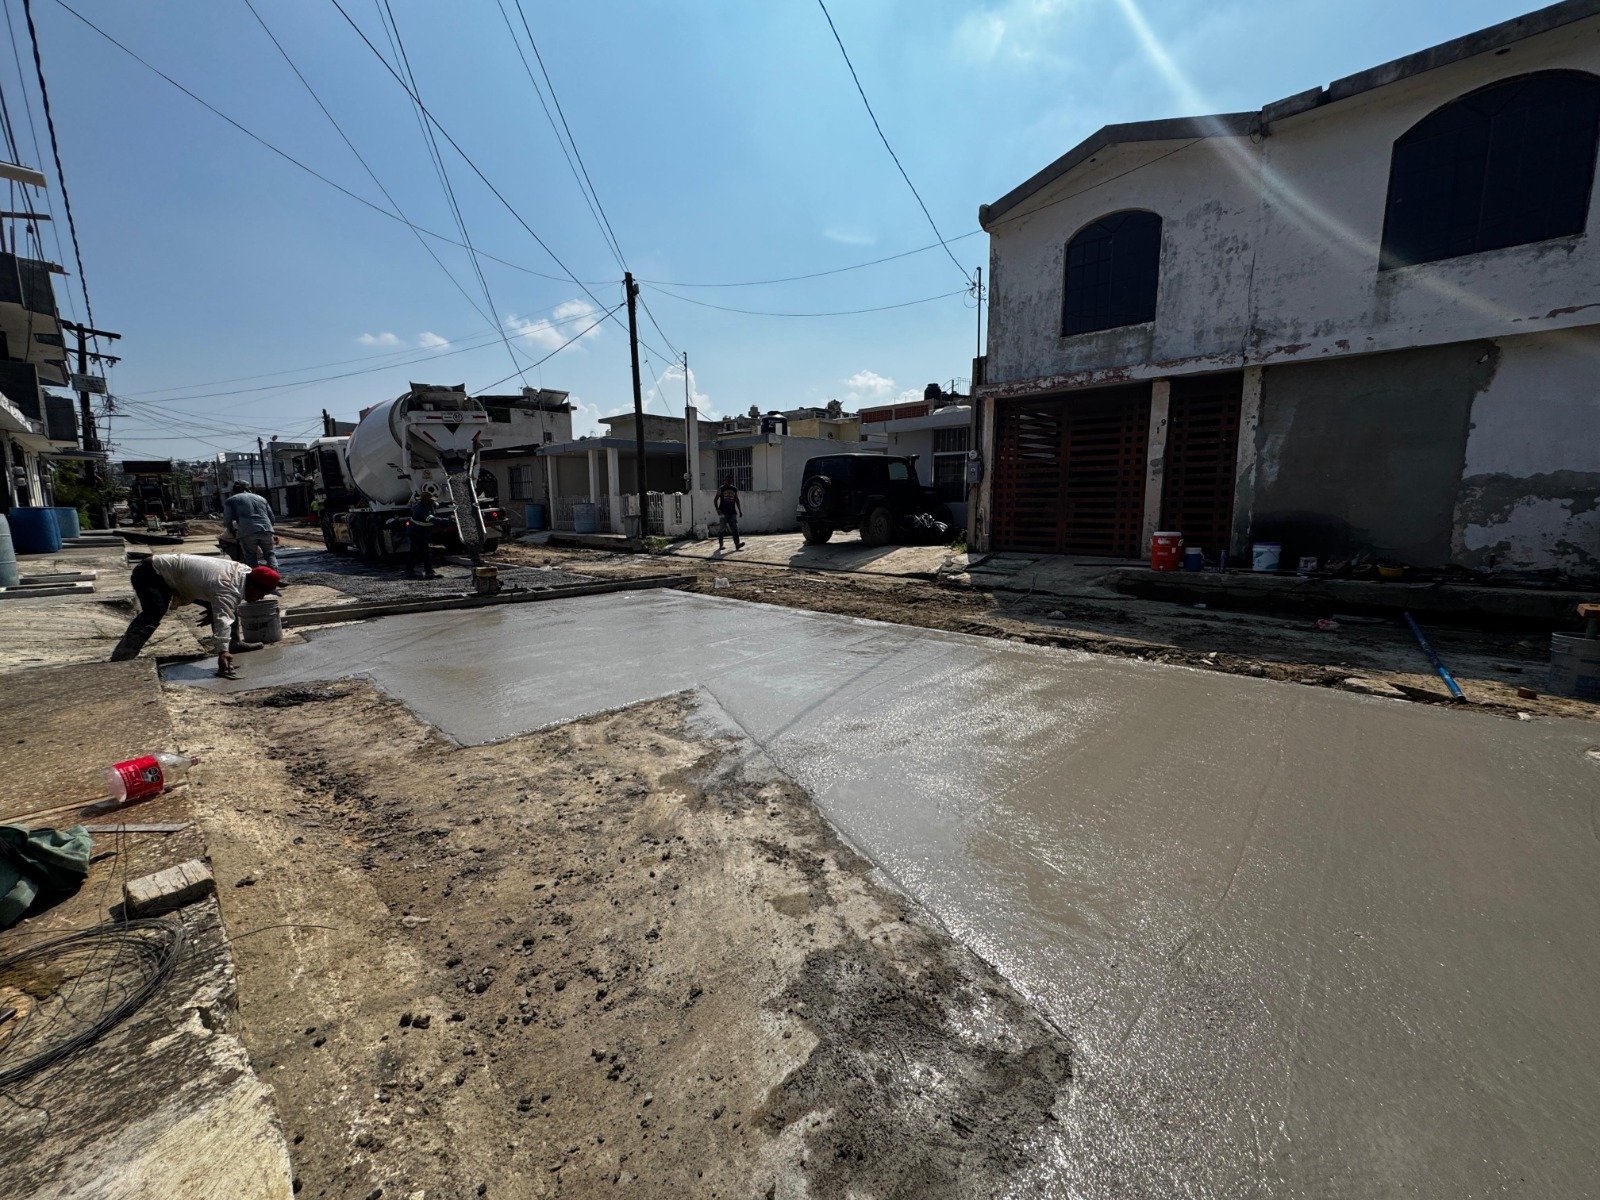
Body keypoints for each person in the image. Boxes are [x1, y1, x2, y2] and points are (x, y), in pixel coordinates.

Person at [111, 554, 279, 678]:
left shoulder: (244, 572)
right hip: (152, 573)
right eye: (262, 593)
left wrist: (214, 609)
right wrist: (222, 652)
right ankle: (123, 656)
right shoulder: (227, 587)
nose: (261, 598)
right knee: (154, 612)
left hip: (182, 578)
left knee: (229, 605)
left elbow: (224, 604)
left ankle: (233, 643)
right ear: (253, 586)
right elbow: (223, 618)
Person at [223, 481, 278, 570]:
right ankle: (275, 574)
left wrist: (232, 531)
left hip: (247, 531)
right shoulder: (261, 498)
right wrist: (269, 529)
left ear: (234, 490)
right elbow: (272, 518)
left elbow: (227, 519)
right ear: (248, 489)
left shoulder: (231, 500)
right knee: (270, 554)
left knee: (250, 556)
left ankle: (255, 576)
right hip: (266, 529)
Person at [406, 491, 439, 579]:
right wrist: (448, 520)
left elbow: (438, 504)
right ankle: (429, 572)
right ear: (424, 501)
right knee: (426, 552)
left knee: (413, 552)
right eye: (430, 501)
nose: (432, 502)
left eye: (432, 501)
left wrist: (449, 502)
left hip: (419, 532)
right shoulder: (421, 510)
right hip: (416, 533)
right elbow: (432, 520)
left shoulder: (428, 505)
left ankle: (409, 570)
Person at [715, 476, 743, 551]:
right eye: (727, 480)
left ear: (732, 481)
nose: (728, 482)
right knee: (722, 528)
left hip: (732, 512)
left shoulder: (734, 489)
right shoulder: (721, 489)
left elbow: (737, 500)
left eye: (730, 480)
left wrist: (740, 510)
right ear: (724, 481)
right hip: (723, 512)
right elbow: (715, 500)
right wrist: (717, 509)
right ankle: (721, 545)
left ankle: (737, 544)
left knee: (735, 528)